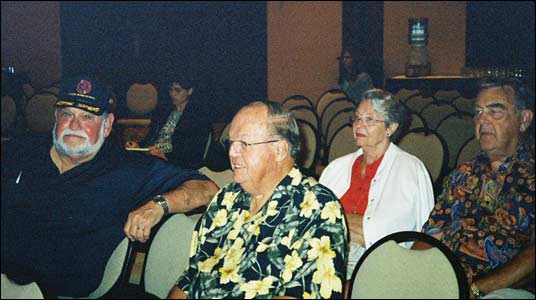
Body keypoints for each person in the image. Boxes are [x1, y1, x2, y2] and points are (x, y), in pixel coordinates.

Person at [0, 75, 219, 298]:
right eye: (67, 114)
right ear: (56, 117)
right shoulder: (20, 151)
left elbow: (207, 189)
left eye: (87, 117)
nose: (74, 125)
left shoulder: (127, 169)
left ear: (107, 125)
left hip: (54, 291)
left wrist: (159, 205)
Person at [168, 101, 347, 299]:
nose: (231, 153)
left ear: (279, 150)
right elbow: (191, 277)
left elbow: (304, 294)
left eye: (244, 144)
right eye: (231, 143)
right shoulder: (227, 199)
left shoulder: (317, 207)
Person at [416, 77, 535, 299]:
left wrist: (475, 289)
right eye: (478, 112)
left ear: (524, 120)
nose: (483, 120)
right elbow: (429, 238)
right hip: (445, 280)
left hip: (504, 289)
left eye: (495, 111)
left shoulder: (530, 176)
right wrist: (411, 275)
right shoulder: (462, 175)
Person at [319, 89, 434, 281]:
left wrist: (335, 221)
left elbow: (423, 234)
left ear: (391, 128)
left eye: (370, 119)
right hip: (330, 255)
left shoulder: (411, 169)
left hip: (380, 266)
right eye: (357, 118)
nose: (359, 125)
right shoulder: (336, 167)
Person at [125, 72, 226, 169]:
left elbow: (193, 153)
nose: (172, 94)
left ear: (189, 91)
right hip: (153, 157)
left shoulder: (197, 117)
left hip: (173, 163)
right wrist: (138, 147)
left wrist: (164, 157)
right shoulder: (165, 112)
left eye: (177, 90)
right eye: (170, 90)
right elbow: (152, 137)